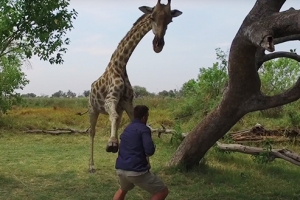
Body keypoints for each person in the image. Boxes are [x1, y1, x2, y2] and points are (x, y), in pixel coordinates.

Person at [113, 105, 169, 200]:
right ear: (144, 117)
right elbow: (149, 150)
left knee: (123, 189)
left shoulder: (127, 128)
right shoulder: (144, 129)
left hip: (121, 169)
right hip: (136, 171)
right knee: (162, 191)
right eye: (147, 116)